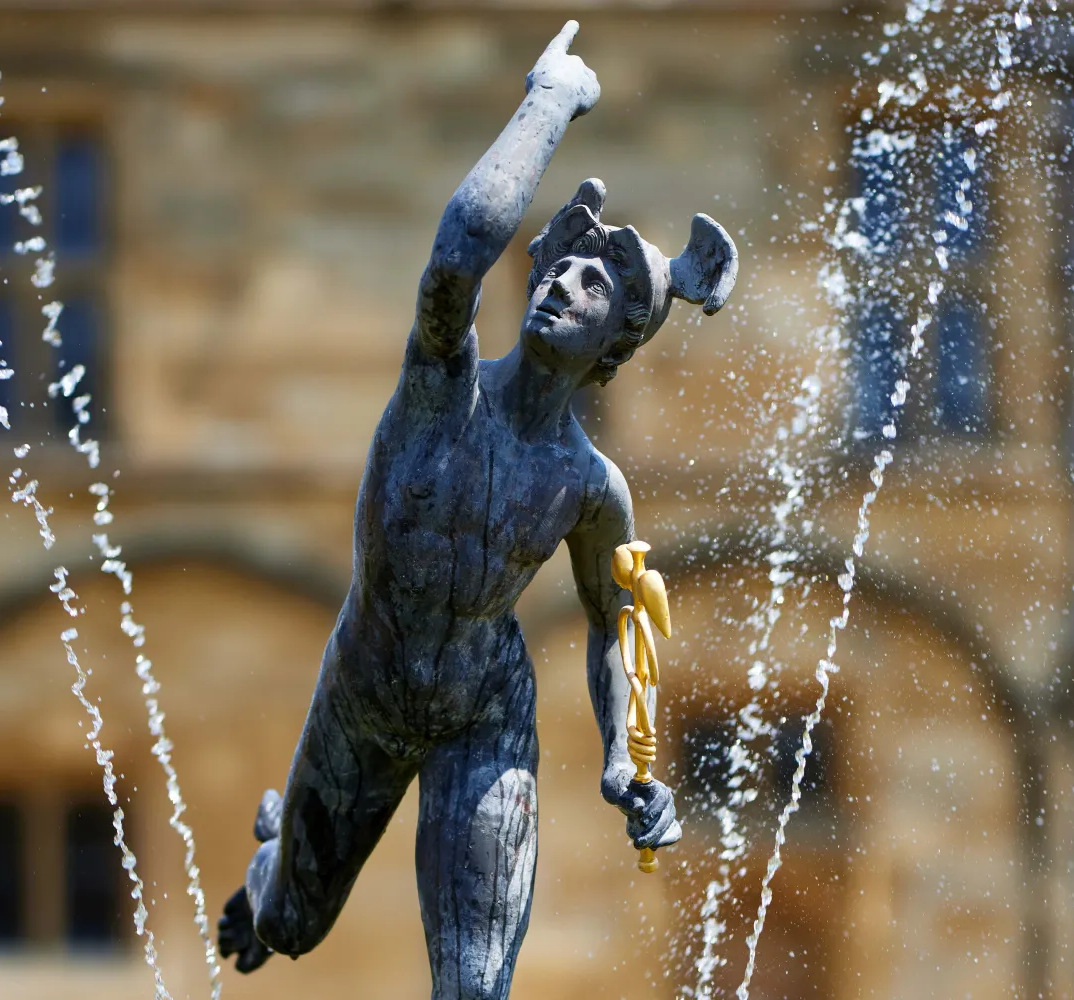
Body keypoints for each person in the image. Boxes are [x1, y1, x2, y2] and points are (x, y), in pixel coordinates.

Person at [217, 20, 737, 999]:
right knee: (286, 928)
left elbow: (618, 615)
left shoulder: (591, 486)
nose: (562, 286)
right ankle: (274, 861)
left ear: (617, 344)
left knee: (473, 988)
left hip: (483, 716)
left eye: (595, 284)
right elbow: (457, 259)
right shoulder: (441, 391)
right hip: (368, 687)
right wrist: (549, 99)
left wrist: (625, 757)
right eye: (558, 268)